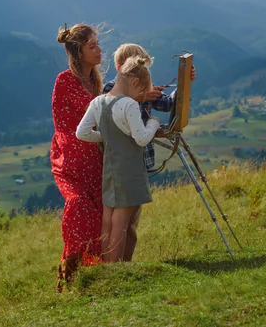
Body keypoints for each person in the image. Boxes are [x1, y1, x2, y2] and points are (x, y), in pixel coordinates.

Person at [102, 43, 196, 261]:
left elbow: (168, 105)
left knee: (132, 220)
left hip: (140, 161)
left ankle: (124, 263)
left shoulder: (144, 87)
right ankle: (113, 264)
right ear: (120, 69)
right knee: (121, 218)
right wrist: (139, 98)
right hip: (122, 161)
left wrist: (185, 85)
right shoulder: (110, 89)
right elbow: (110, 107)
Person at [76, 56, 160, 263]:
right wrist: (154, 124)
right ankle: (116, 267)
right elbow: (141, 139)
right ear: (134, 82)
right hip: (129, 171)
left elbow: (82, 133)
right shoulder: (129, 105)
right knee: (122, 221)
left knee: (108, 219)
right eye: (141, 91)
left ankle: (106, 265)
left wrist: (105, 136)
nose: (140, 96)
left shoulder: (98, 102)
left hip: (110, 168)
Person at [51, 23, 104, 292]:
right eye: (92, 45)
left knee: (100, 215)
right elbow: (96, 109)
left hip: (92, 158)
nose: (98, 49)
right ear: (78, 52)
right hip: (70, 160)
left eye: (97, 44)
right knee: (80, 207)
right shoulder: (66, 80)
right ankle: (69, 275)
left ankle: (93, 275)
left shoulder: (94, 80)